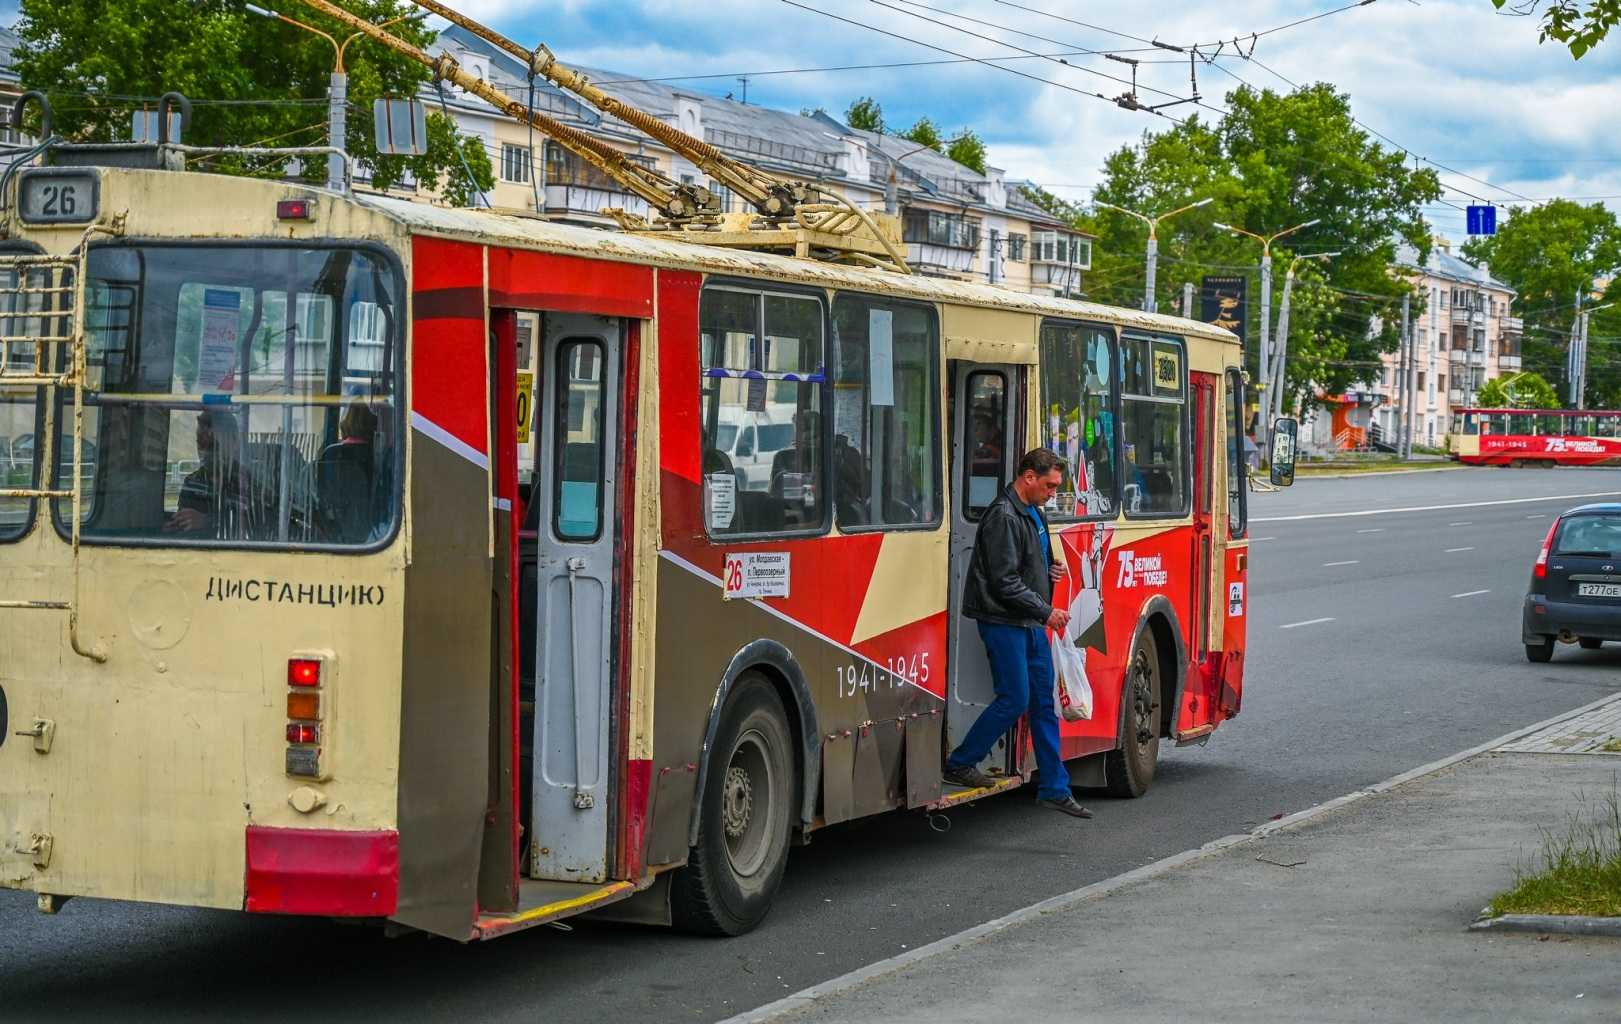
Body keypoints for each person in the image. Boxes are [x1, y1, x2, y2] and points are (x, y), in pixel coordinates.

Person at [944, 447, 1094, 819]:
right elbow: (1004, 581)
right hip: (1004, 622)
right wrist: (1046, 610)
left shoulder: (1032, 513)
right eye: (1049, 485)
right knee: (1015, 698)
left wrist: (1049, 572)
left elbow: (1025, 567)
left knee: (1043, 703)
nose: (1052, 493)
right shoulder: (1004, 516)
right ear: (1028, 477)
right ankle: (961, 762)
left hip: (1028, 622)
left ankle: (1054, 788)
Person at [165, 409, 248, 537]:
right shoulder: (191, 483)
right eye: (200, 444)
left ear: (234, 444)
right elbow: (185, 527)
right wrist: (176, 526)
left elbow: (253, 527)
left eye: (213, 445)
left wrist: (207, 522)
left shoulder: (247, 484)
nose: (204, 452)